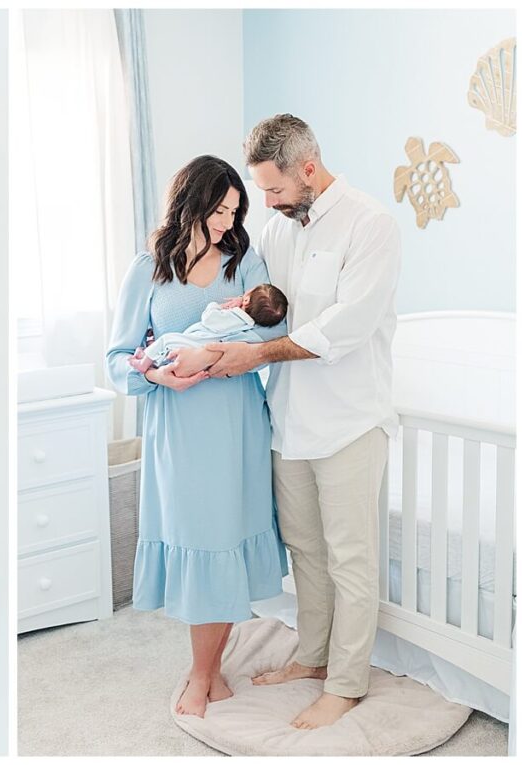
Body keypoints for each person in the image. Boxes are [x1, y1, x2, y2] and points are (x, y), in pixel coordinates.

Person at [205, 114, 400, 730]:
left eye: (274, 188)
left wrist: (257, 354)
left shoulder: (371, 226)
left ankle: (346, 683)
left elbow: (343, 329)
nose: (266, 201)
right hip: (289, 422)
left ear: (308, 168)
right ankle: (313, 658)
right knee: (306, 554)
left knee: (350, 559)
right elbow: (268, 308)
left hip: (348, 421)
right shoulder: (277, 229)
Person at [106, 154, 289, 719]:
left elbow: (275, 325)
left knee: (225, 541)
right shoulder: (148, 269)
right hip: (179, 429)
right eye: (220, 209)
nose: (226, 221)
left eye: (235, 211)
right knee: (199, 541)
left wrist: (223, 350)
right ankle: (204, 671)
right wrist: (158, 374)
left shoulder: (244, 258)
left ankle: (203, 673)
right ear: (192, 199)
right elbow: (117, 358)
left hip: (235, 424)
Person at [128, 283, 288, 375]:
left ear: (246, 300)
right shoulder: (248, 324)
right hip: (200, 345)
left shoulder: (234, 317)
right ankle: (150, 356)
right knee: (168, 350)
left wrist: (215, 306)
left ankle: (144, 362)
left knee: (166, 340)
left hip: (196, 343)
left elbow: (210, 319)